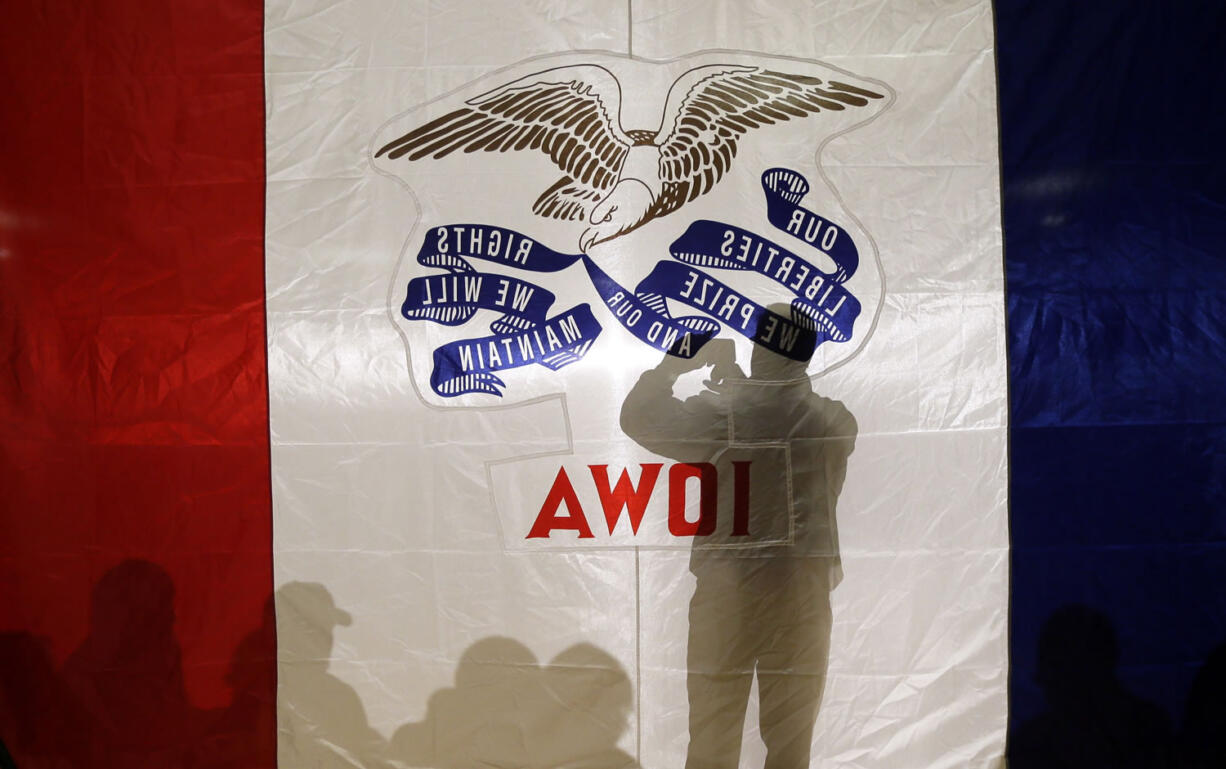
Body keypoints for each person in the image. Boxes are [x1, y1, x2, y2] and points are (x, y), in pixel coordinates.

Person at [620, 332, 856, 769]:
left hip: (728, 597)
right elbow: (778, 415)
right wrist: (741, 384)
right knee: (790, 745)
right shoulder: (838, 421)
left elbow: (639, 419)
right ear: (806, 356)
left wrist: (674, 365)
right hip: (802, 597)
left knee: (713, 736)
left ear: (758, 351)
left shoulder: (723, 414)